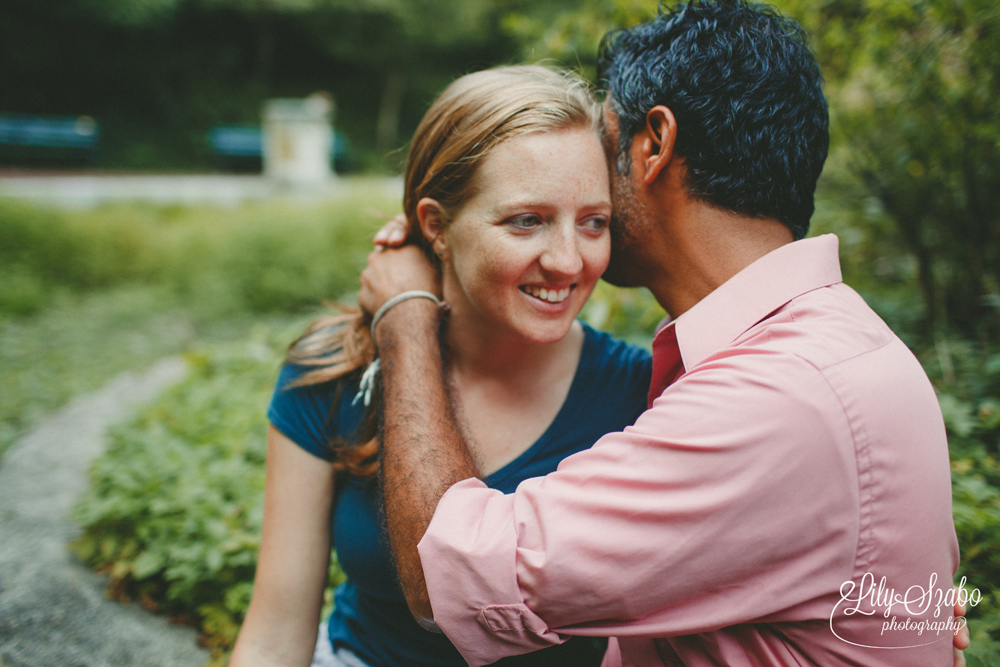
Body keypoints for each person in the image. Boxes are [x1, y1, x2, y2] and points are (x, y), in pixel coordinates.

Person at [357, 1, 966, 665]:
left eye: (605, 146)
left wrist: (407, 319)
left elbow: (449, 575)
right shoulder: (850, 345)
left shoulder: (769, 400)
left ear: (653, 144)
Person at [228, 65, 654, 667]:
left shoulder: (642, 396)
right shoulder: (331, 373)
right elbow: (274, 636)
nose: (567, 261)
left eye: (594, 222)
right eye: (526, 220)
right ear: (436, 225)